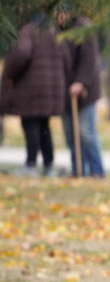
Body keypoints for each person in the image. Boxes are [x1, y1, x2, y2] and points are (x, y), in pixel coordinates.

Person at [0, 14, 67, 176]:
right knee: (44, 125)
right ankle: (48, 165)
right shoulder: (54, 32)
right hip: (51, 88)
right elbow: (66, 57)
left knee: (30, 124)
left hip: (32, 88)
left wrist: (9, 75)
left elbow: (21, 53)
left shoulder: (28, 31)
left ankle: (30, 165)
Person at [56, 10, 105, 178]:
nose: (60, 15)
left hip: (85, 91)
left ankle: (97, 171)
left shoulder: (83, 26)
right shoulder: (55, 30)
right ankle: (78, 170)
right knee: (70, 134)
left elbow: (89, 58)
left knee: (86, 133)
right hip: (65, 91)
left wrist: (80, 81)